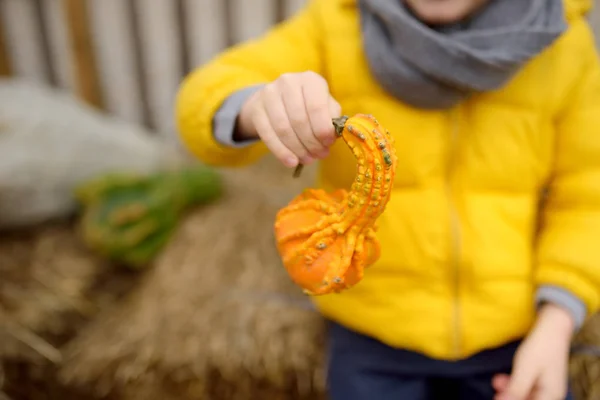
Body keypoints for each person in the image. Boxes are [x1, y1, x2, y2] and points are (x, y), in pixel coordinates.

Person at [175, 0, 600, 398]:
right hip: (371, 333)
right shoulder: (333, 25)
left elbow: (587, 197)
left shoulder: (563, 46)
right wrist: (256, 106)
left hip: (516, 333)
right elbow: (204, 95)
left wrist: (556, 324)